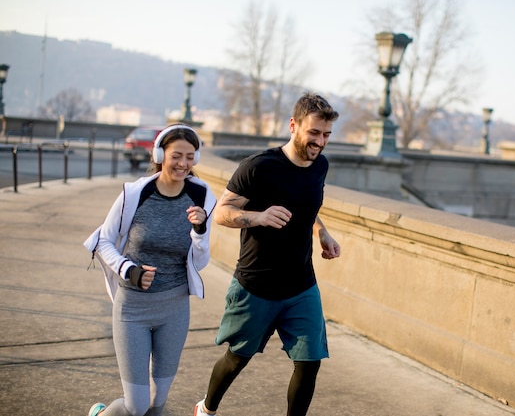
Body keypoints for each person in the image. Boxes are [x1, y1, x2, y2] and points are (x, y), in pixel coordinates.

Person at [194, 93, 341, 416]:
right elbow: (221, 213)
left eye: (326, 135)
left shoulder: (320, 166)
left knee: (309, 362)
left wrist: (322, 232)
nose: (320, 142)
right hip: (256, 284)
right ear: (293, 125)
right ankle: (206, 409)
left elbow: (307, 207)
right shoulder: (258, 167)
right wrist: (258, 217)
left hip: (301, 284)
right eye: (314, 133)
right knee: (237, 358)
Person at [83, 124, 217, 416]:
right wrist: (129, 270)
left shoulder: (203, 196)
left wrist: (200, 229)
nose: (183, 163)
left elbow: (201, 261)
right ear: (160, 154)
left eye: (190, 157)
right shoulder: (135, 194)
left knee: (158, 402)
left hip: (175, 307)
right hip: (133, 308)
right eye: (176, 155)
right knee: (136, 404)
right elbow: (103, 241)